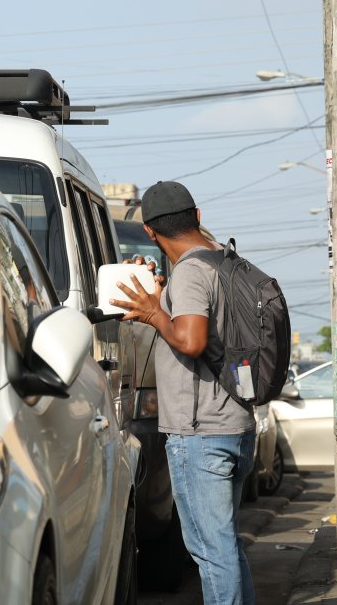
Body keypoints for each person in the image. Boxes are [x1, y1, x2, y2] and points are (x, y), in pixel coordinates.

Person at [110, 180, 256, 605]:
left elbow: (190, 340)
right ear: (197, 217)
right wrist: (159, 301)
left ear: (151, 233)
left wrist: (155, 312)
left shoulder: (191, 272)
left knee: (212, 553)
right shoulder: (226, 264)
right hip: (233, 424)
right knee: (226, 547)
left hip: (202, 434)